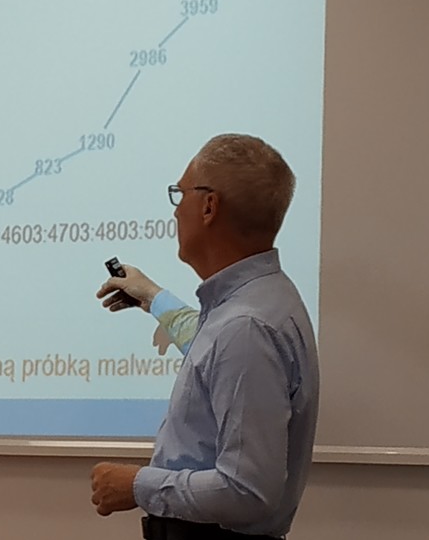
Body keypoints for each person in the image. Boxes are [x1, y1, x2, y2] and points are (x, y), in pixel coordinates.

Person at [91, 133, 319, 539]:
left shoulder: (246, 327)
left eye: (180, 195)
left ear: (209, 206)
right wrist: (152, 297)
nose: (176, 212)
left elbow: (247, 492)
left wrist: (136, 485)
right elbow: (210, 348)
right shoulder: (260, 300)